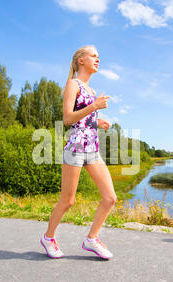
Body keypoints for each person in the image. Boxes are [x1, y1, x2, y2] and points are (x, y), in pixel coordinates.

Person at [40, 45, 117, 260]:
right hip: (75, 147)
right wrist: (94, 107)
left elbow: (83, 119)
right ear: (81, 60)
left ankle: (91, 239)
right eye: (93, 55)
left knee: (110, 198)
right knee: (68, 201)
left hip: (92, 148)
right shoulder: (72, 84)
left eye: (99, 56)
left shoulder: (91, 90)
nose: (97, 59)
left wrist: (97, 121)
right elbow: (67, 119)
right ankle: (48, 238)